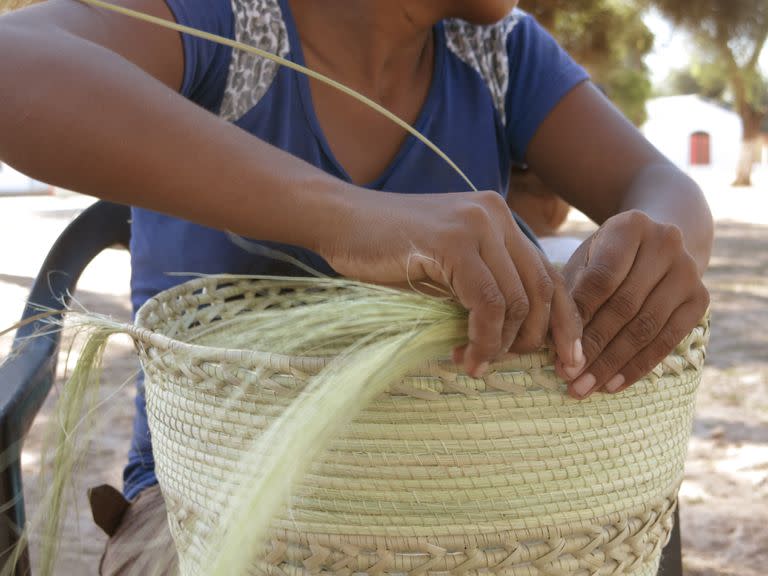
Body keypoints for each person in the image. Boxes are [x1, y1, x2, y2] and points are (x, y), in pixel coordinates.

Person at [0, 0, 712, 572]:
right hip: (212, 501)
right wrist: (344, 216)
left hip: (463, 500)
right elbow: (14, 63)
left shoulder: (498, 56)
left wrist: (652, 242)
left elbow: (661, 186)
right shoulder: (233, 24)